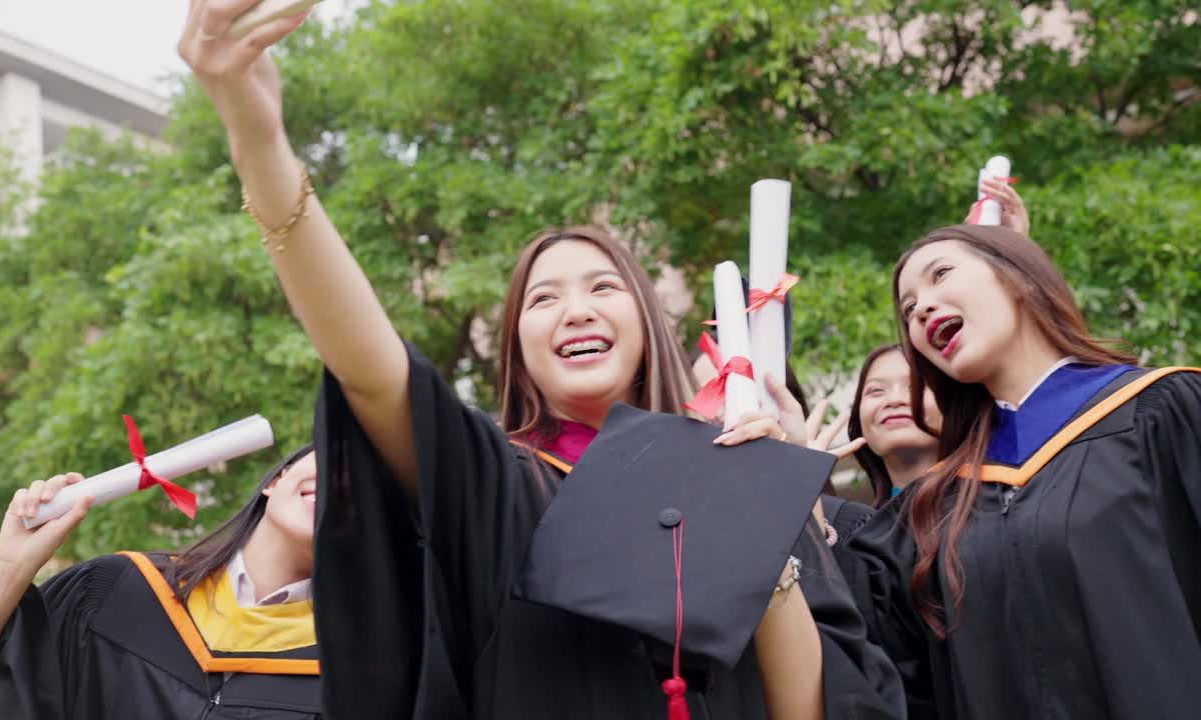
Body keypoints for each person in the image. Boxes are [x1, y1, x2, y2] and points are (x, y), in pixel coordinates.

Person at [174, 7, 905, 719]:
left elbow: (818, 705)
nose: (576, 310)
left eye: (603, 288)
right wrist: (259, 138)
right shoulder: (497, 489)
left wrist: (758, 536)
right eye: (542, 299)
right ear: (520, 350)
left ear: (648, 323)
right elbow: (369, 367)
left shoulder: (746, 477)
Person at [843, 224, 1201, 719]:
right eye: (907, 309)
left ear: (1019, 277)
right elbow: (871, 655)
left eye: (942, 274)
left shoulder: (1161, 412)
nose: (920, 309)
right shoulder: (937, 505)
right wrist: (785, 479)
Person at [0, 444, 322, 719]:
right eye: (333, 457)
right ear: (275, 479)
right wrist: (9, 566)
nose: (343, 480)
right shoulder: (114, 593)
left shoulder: (354, 673)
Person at [845, 344, 941, 506]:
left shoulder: (995, 507)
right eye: (876, 390)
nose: (894, 400)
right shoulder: (857, 528)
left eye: (917, 386)